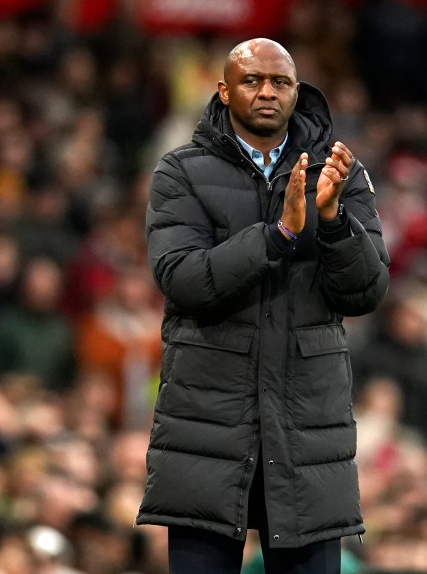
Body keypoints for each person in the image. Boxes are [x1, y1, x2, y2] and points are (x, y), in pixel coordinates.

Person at [135, 38, 390, 573]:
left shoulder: (339, 172)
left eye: (281, 82)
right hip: (207, 427)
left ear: (298, 93)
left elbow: (366, 291)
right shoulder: (180, 172)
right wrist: (278, 235)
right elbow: (182, 279)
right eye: (252, 81)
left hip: (306, 430)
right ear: (225, 91)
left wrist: (336, 221)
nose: (267, 92)